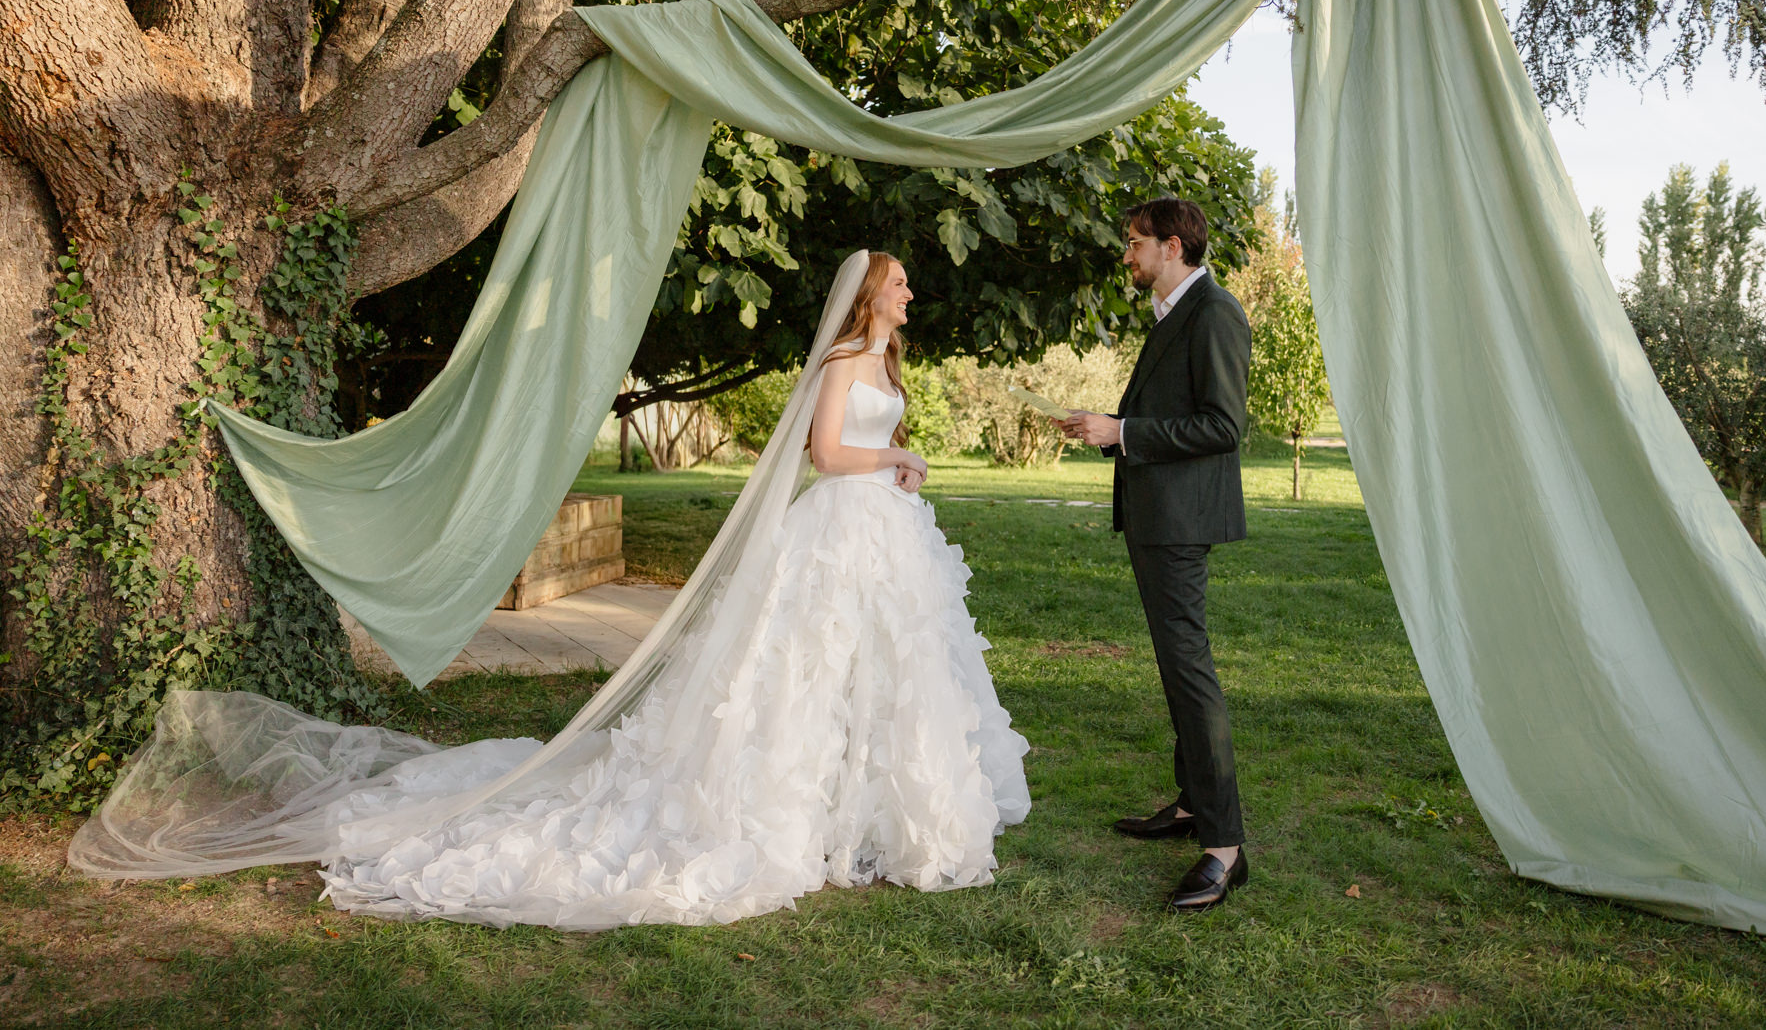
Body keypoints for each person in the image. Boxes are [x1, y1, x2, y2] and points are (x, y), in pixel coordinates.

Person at [71, 251, 1030, 930]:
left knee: (887, 670)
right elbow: (824, 453)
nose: (910, 293)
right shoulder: (842, 364)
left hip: (883, 531)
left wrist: (895, 463)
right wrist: (891, 456)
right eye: (901, 283)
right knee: (805, 670)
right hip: (841, 528)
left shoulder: (888, 364)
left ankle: (867, 812)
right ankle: (800, 811)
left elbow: (863, 446)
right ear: (870, 295)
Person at [1058, 198, 1252, 911]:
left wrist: (1125, 432)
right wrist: (1108, 427)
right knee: (1177, 668)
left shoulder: (1215, 313)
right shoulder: (1174, 313)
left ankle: (1225, 850)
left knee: (1190, 671)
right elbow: (1165, 414)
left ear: (1173, 247)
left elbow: (1223, 426)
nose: (1128, 254)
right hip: (1156, 516)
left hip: (1179, 521)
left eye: (1136, 242)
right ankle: (1193, 805)